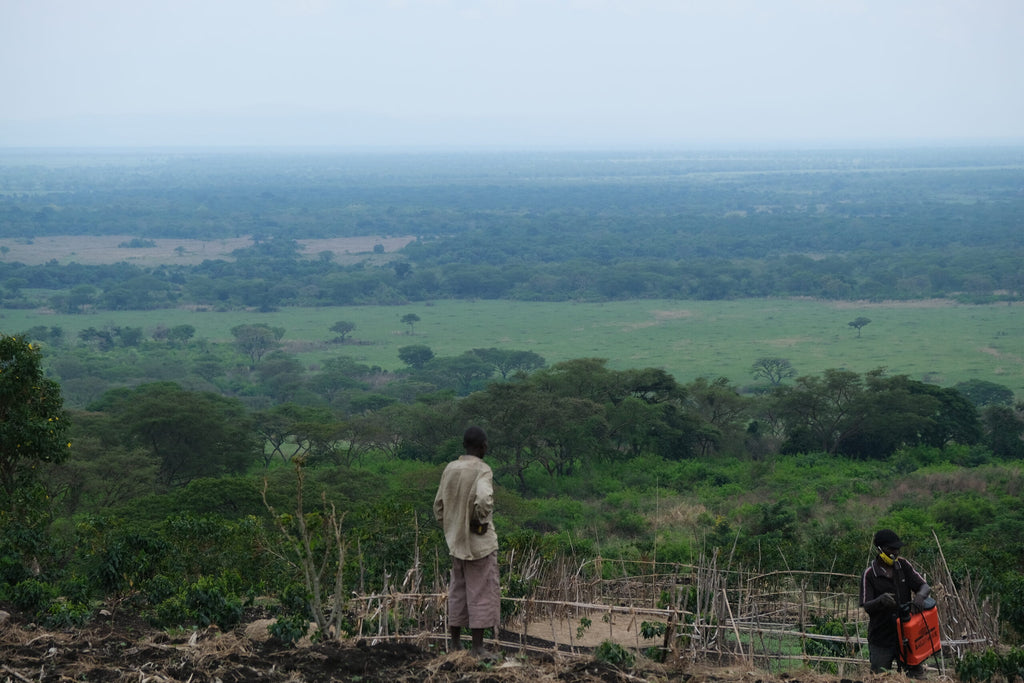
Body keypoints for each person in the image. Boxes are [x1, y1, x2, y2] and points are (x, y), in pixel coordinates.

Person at [433, 426, 500, 658]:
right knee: (480, 590)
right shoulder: (482, 470)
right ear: (482, 446)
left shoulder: (450, 468)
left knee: (457, 590)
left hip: (455, 542)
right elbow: (482, 499)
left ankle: (454, 644)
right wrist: (478, 519)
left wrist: (452, 526)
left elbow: (439, 506)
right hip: (479, 542)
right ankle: (478, 648)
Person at [860, 529, 931, 676]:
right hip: (881, 637)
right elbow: (866, 605)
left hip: (907, 635)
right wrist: (880, 601)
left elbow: (924, 586)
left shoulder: (903, 566)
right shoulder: (870, 574)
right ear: (879, 550)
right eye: (891, 549)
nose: (895, 552)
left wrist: (920, 597)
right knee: (879, 676)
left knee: (916, 675)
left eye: (897, 549)